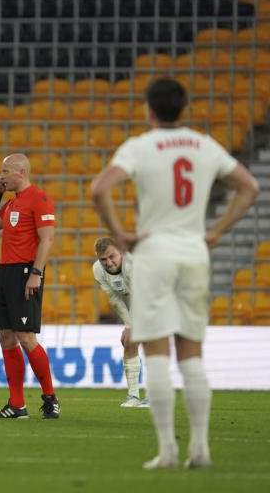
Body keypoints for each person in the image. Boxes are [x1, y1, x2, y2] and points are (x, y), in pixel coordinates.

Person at [91, 78, 259, 470]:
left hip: (153, 253)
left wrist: (120, 234)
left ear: (149, 109)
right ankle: (200, 448)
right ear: (183, 109)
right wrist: (216, 231)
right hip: (193, 253)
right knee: (191, 355)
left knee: (156, 353)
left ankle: (168, 450)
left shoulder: (140, 146)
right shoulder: (204, 144)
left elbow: (100, 189)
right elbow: (248, 186)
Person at [0, 153, 59, 419]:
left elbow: (47, 239)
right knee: (6, 336)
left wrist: (36, 273)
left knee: (26, 337)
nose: (1, 176)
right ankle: (17, 405)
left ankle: (50, 398)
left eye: (6, 171)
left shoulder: (40, 198)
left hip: (27, 271)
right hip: (5, 272)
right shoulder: (13, 203)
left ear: (22, 172)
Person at [91, 236, 147, 408]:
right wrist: (129, 326)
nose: (108, 262)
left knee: (153, 343)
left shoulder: (132, 265)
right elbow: (114, 299)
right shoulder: (97, 270)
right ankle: (133, 396)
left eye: (112, 256)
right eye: (103, 259)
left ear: (121, 252)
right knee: (128, 341)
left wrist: (131, 326)